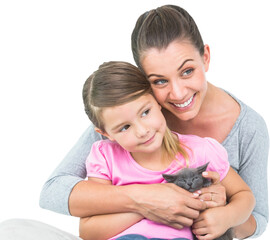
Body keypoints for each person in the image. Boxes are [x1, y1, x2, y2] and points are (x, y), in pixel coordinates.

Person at [0, 4, 268, 240]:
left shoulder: (244, 130)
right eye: (159, 80)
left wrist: (224, 212)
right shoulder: (129, 115)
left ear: (205, 57)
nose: (177, 93)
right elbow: (53, 193)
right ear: (144, 82)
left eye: (187, 71)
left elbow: (258, 218)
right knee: (12, 231)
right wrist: (145, 200)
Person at [78, 60, 254, 240]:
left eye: (145, 112)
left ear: (156, 101)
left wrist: (227, 216)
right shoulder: (106, 157)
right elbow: (88, 231)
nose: (142, 131)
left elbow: (244, 196)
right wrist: (147, 206)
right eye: (125, 127)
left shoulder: (198, 151)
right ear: (105, 133)